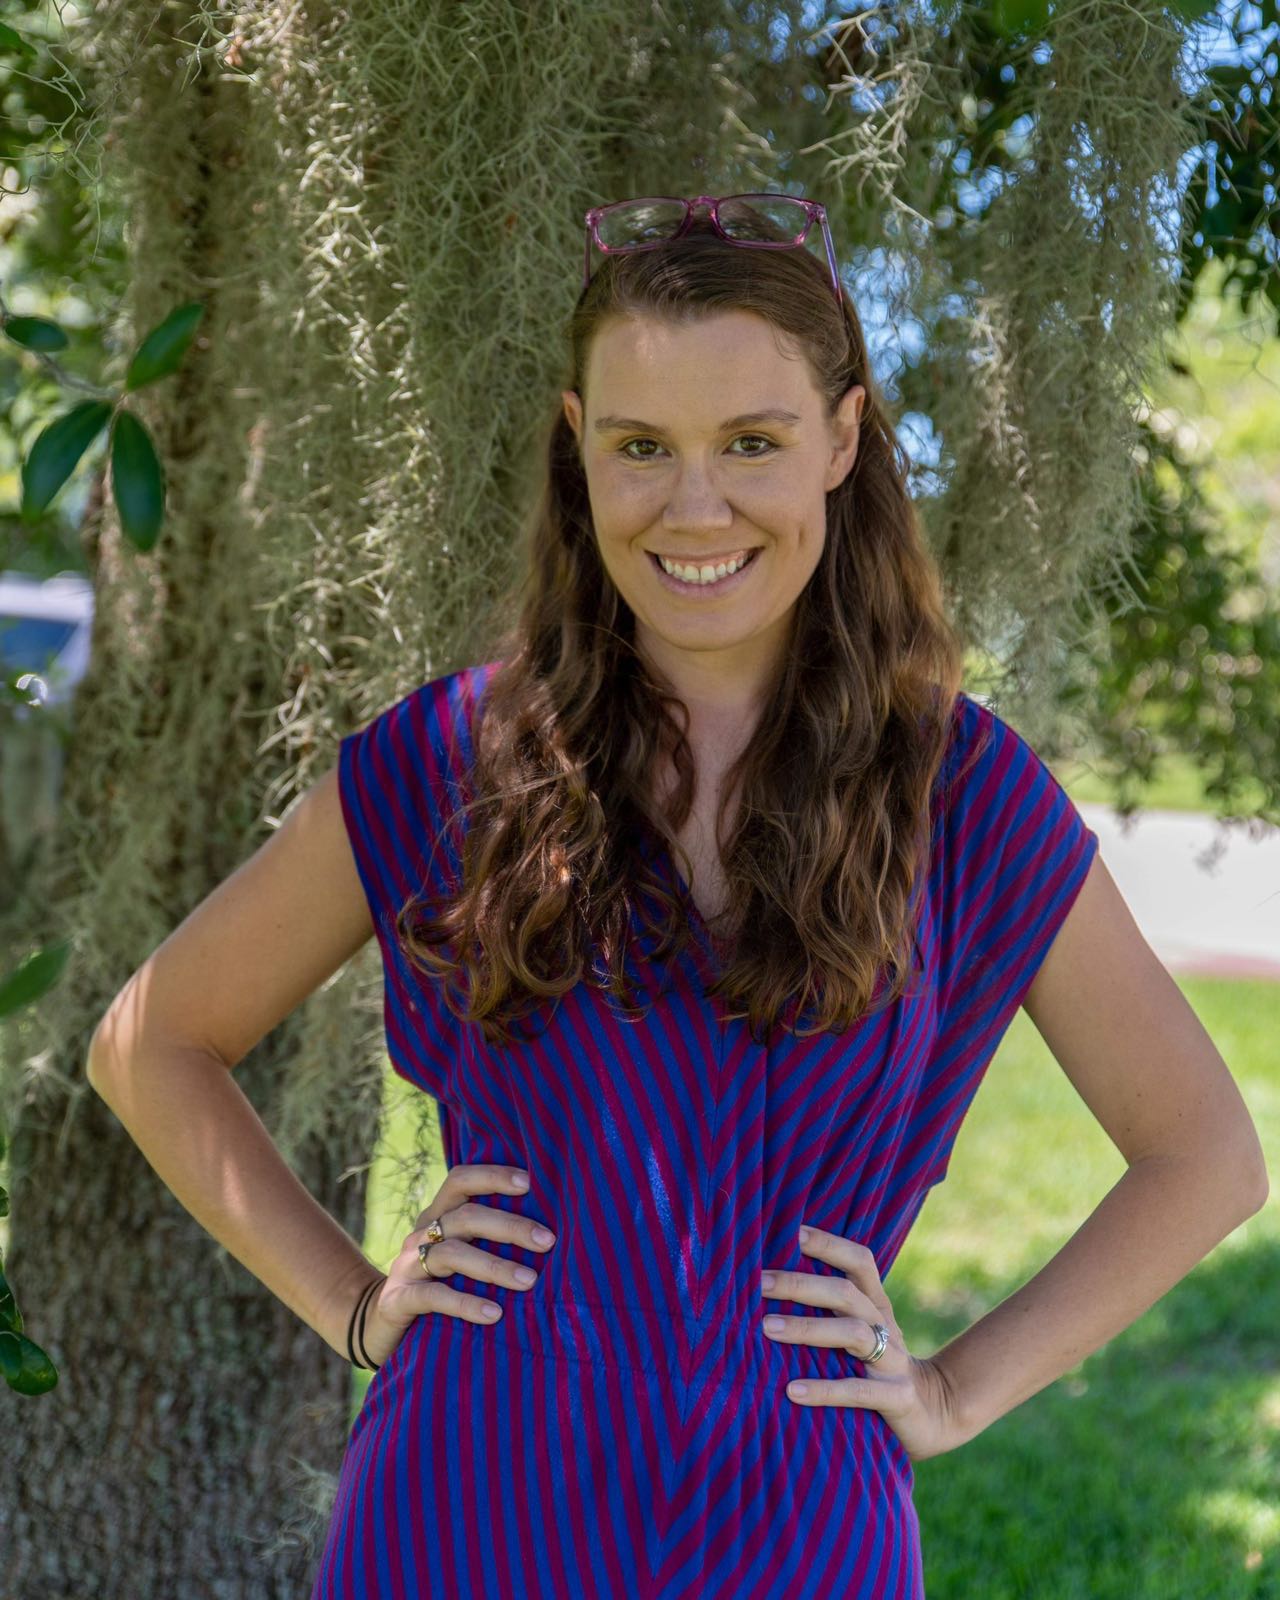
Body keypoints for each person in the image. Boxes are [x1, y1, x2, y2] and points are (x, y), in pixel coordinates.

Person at [88, 192, 1269, 1600]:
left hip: (802, 1536)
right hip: (467, 1516)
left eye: (752, 445)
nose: (693, 507)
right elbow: (151, 1040)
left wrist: (956, 1390)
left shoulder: (957, 788)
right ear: (578, 445)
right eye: (642, 447)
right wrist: (353, 1306)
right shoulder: (455, 755)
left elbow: (1205, 1154)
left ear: (840, 441)